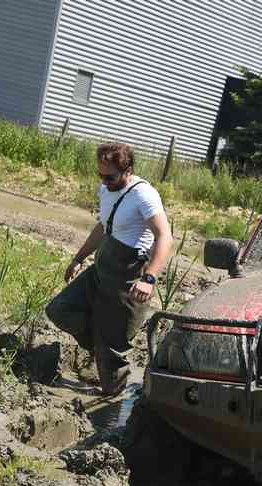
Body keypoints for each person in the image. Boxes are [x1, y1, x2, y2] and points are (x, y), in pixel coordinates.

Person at [46, 142, 173, 396]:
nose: (104, 182)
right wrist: (79, 258)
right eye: (100, 175)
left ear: (128, 170)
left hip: (128, 277)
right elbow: (103, 226)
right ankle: (97, 343)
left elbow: (165, 237)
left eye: (110, 176)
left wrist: (149, 279)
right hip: (102, 268)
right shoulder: (106, 189)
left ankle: (112, 406)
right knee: (59, 310)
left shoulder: (143, 194)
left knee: (113, 351)